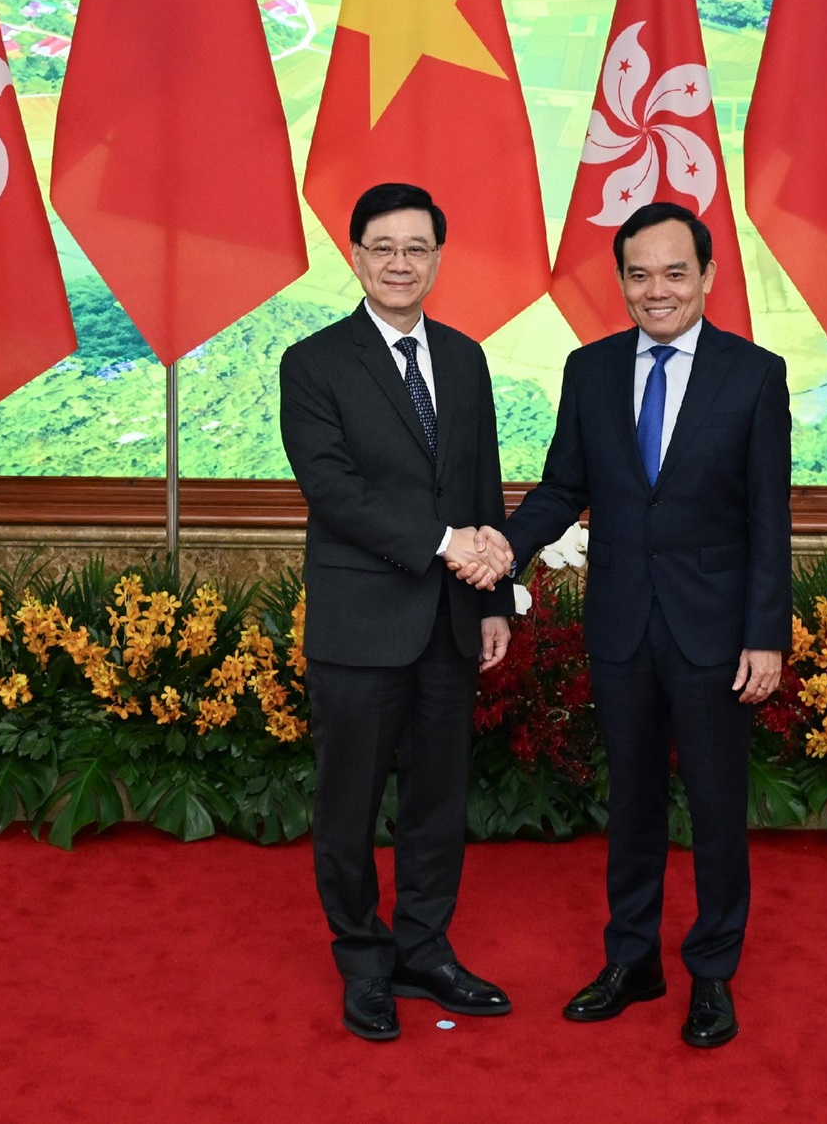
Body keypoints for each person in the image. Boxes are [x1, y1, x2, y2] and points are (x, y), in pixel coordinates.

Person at [495, 199, 790, 1049]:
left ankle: (712, 974)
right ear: (620, 281)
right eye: (638, 274)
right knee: (630, 803)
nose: (655, 289)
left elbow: (770, 518)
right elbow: (561, 490)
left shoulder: (753, 375)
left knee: (715, 806)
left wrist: (765, 634)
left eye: (673, 272)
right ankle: (633, 959)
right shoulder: (589, 370)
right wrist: (500, 550)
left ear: (706, 277)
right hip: (622, 625)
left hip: (715, 633)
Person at [279, 182, 519, 1042]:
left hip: (453, 623)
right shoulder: (312, 363)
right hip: (359, 626)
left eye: (417, 248)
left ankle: (425, 950)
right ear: (355, 255)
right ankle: (363, 961)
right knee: (349, 808)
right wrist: (447, 542)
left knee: (436, 801)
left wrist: (495, 596)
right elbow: (334, 491)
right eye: (383, 247)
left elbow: (481, 481)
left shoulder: (464, 357)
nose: (399, 263)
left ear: (438, 260)